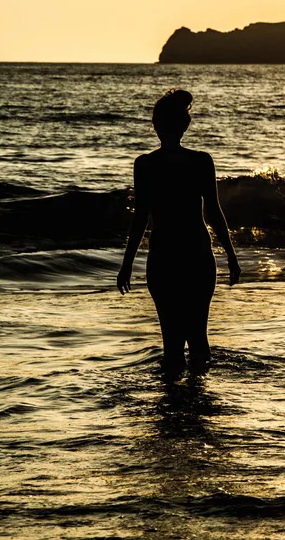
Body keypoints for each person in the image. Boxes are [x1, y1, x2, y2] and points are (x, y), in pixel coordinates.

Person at [117, 89, 241, 377]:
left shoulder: (146, 164)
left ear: (157, 126)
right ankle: (197, 406)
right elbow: (214, 212)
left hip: (164, 257)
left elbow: (140, 219)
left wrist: (126, 265)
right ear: (184, 125)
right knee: (198, 338)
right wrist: (231, 256)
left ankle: (173, 411)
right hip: (196, 254)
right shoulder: (200, 161)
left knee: (172, 343)